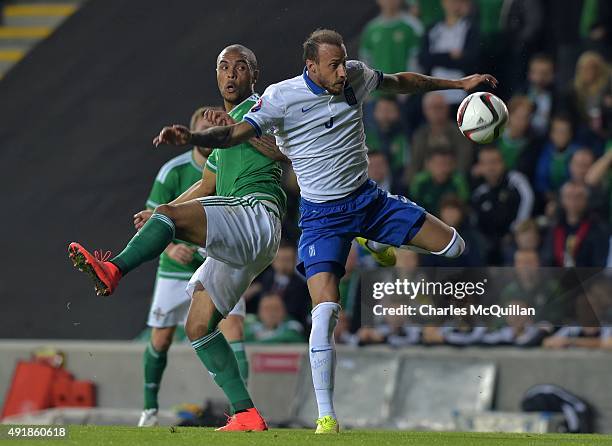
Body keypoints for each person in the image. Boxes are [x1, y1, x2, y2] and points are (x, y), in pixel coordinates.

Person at [152, 29, 497, 434]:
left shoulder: (354, 75)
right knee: (325, 311)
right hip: (321, 219)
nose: (341, 70)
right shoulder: (281, 97)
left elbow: (404, 82)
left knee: (454, 247)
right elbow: (236, 133)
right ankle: (326, 417)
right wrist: (193, 138)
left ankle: (376, 237)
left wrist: (458, 84)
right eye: (333, 64)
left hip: (368, 201)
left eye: (343, 61)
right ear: (310, 65)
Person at [69, 44, 288, 432]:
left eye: (241, 67)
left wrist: (224, 130)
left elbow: (282, 154)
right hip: (242, 230)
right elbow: (207, 184)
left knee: (171, 221)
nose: (232, 73)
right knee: (199, 326)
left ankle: (114, 269)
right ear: (217, 75)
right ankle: (246, 415)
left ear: (255, 74)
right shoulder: (223, 132)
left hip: (257, 213)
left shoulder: (265, 107)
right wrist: (159, 211)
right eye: (224, 67)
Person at [137, 108, 252, 427]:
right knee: (160, 339)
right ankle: (149, 410)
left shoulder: (231, 165)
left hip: (219, 261)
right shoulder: (172, 171)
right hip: (175, 268)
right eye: (202, 130)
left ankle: (242, 410)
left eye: (211, 130)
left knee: (234, 329)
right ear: (191, 135)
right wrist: (173, 247)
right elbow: (151, 218)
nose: (207, 135)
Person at [472, 145, 534, 264]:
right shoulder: (479, 191)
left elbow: (528, 200)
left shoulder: (516, 180)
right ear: (479, 167)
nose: (491, 167)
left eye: (494, 162)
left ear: (503, 163)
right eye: (486, 163)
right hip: (489, 242)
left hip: (514, 237)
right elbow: (476, 222)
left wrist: (514, 230)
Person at [407, 91, 473, 182]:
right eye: (432, 108)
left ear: (447, 109)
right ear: (425, 111)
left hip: (452, 180)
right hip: (426, 182)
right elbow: (415, 163)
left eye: (440, 107)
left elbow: (464, 160)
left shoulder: (459, 132)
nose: (436, 111)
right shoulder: (420, 134)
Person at [409, 147, 470, 216]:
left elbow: (464, 207)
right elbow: (412, 207)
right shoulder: (420, 181)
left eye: (447, 164)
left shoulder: (458, 182)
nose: (443, 169)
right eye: (438, 164)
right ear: (428, 164)